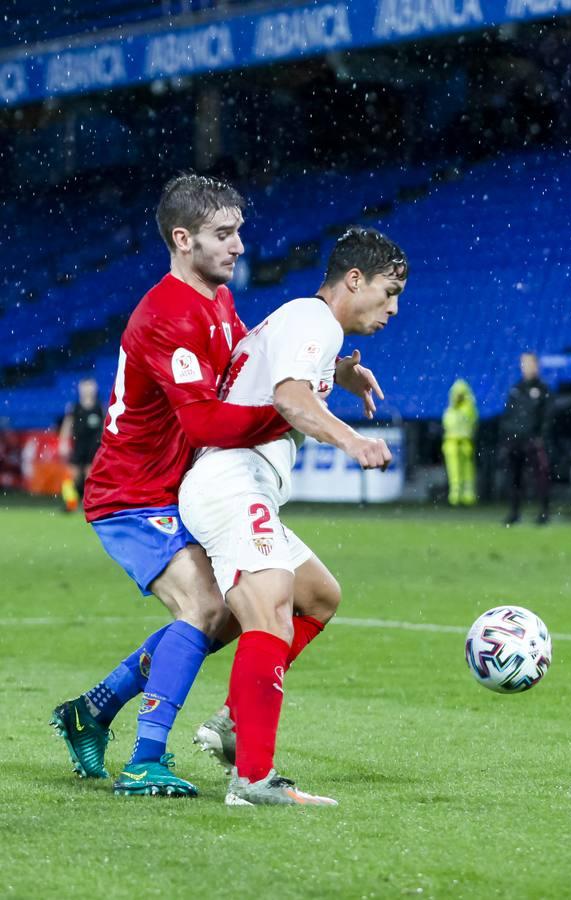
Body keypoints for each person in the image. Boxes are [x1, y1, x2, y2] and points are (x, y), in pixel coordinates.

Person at [50, 174, 383, 797]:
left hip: (177, 484)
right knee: (203, 609)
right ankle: (145, 760)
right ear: (183, 239)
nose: (238, 246)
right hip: (131, 493)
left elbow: (245, 371)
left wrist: (326, 374)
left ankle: (91, 712)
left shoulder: (217, 300)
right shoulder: (167, 315)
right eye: (223, 235)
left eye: (239, 232)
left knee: (252, 607)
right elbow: (205, 419)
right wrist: (293, 409)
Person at [179, 226, 408, 806]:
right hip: (231, 481)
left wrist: (340, 374)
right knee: (271, 610)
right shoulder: (314, 320)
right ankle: (252, 779)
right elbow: (289, 398)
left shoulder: (308, 326)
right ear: (353, 280)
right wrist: (352, 440)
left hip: (238, 483)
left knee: (318, 596)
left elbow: (279, 377)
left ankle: (235, 721)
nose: (394, 308)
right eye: (388, 291)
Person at [500, 352, 551, 526]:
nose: (526, 367)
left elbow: (547, 416)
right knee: (515, 477)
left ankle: (544, 512)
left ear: (536, 366)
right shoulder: (516, 389)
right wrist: (508, 435)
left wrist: (540, 436)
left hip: (533, 440)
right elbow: (508, 415)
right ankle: (514, 513)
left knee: (540, 477)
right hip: (515, 440)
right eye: (523, 364)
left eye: (529, 363)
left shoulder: (543, 389)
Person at [58, 378, 104, 511]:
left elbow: (106, 426)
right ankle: (71, 503)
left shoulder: (99, 407)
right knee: (73, 476)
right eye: (85, 387)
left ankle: (89, 504)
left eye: (90, 386)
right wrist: (63, 442)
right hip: (78, 445)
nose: (87, 389)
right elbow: (67, 425)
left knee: (90, 476)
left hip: (94, 446)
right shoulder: (74, 407)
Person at [441, 379, 478, 506]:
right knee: (454, 470)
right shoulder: (452, 410)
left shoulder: (467, 409)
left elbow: (469, 421)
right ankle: (455, 495)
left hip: (464, 442)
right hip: (452, 443)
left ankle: (467, 494)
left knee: (466, 470)